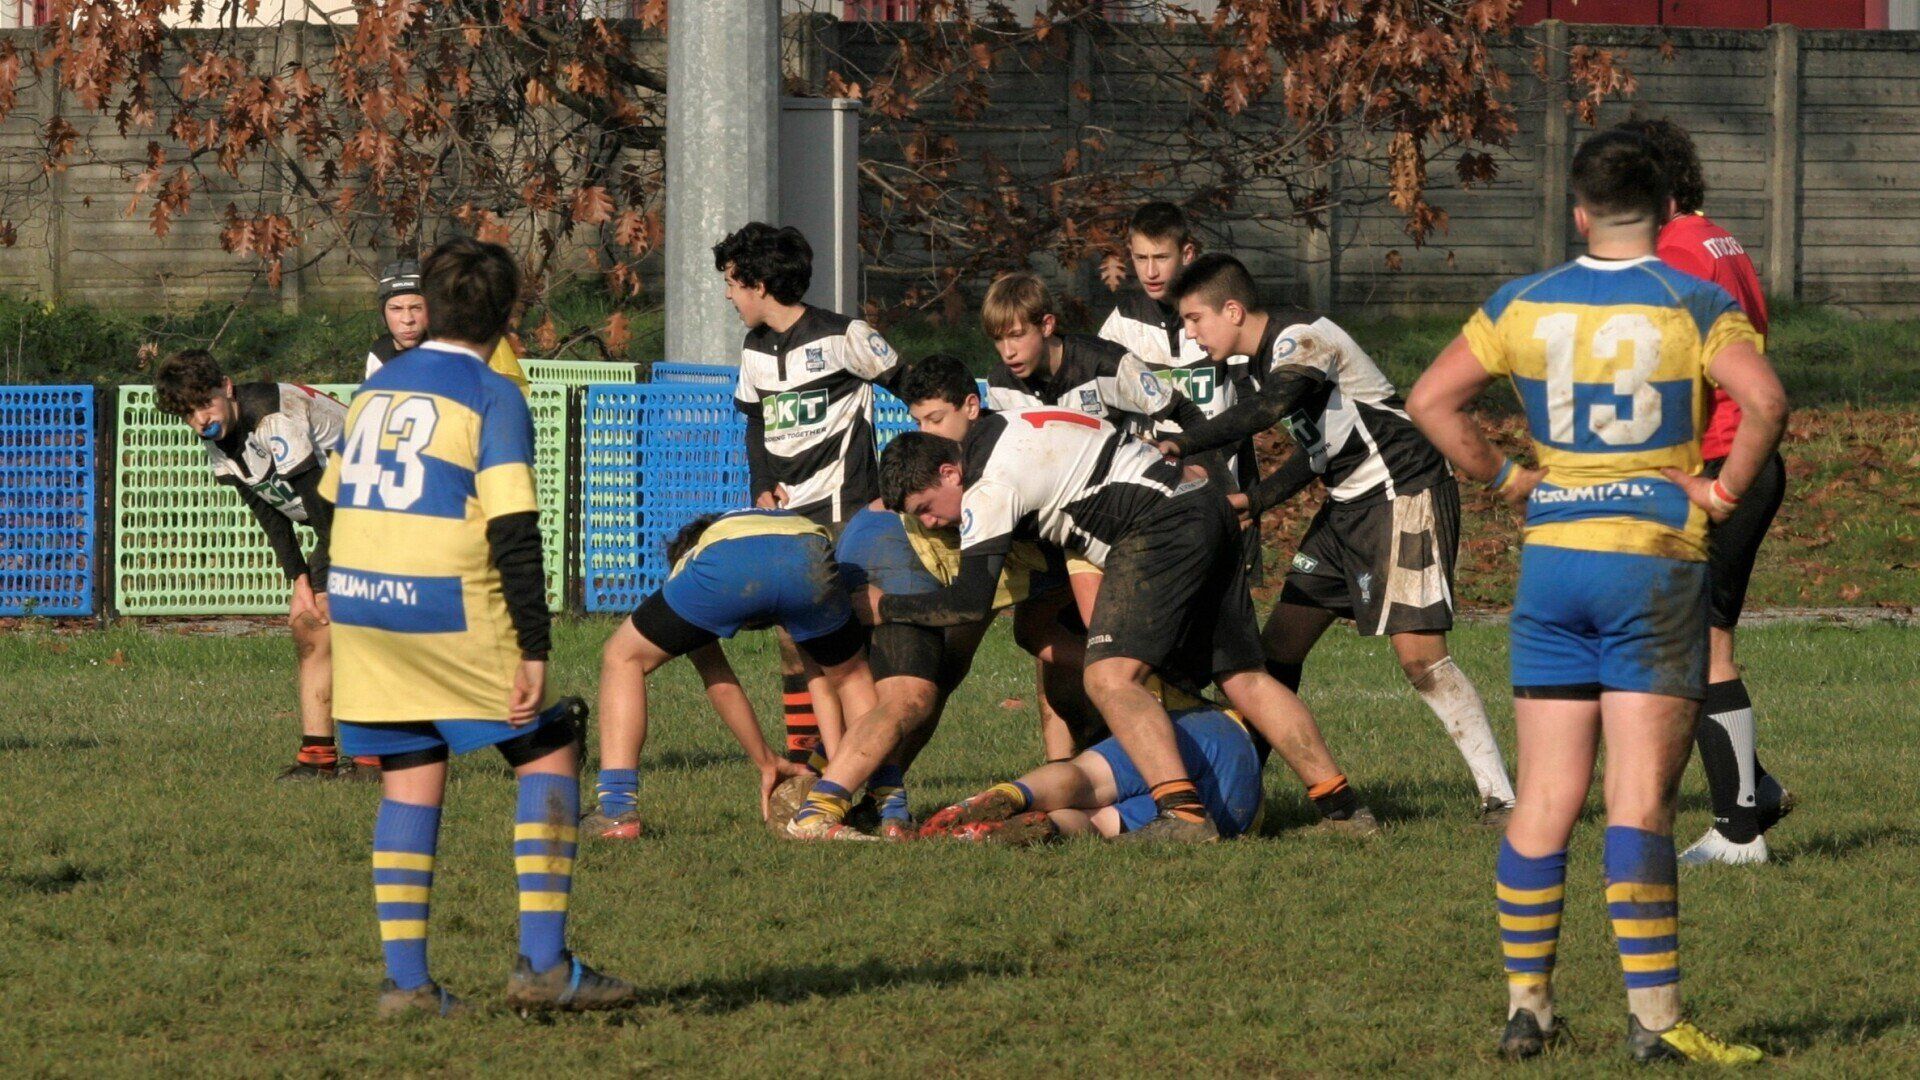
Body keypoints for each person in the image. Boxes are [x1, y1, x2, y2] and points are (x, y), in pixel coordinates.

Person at [1406, 129, 1786, 1065]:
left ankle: (1527, 1008)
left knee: (1543, 798)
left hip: (1556, 564)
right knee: (1638, 806)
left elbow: (1429, 400)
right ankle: (1656, 1023)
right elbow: (1768, 403)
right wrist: (1723, 492)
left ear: (1576, 212)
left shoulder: (1523, 302)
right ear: (1664, 212)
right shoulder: (1692, 300)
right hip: (1651, 564)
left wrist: (1502, 478)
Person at [320, 237, 633, 1015]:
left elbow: (330, 498)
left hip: (360, 599)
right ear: (505, 314)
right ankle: (544, 966)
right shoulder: (493, 393)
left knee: (412, 767)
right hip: (447, 602)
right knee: (548, 744)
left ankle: (407, 984)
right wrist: (534, 646)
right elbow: (515, 529)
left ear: (426, 306)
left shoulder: (376, 388)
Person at [832, 413, 1375, 845]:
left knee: (1110, 678)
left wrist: (885, 607)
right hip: (1203, 507)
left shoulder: (986, 487)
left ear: (950, 472)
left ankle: (1182, 815)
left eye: (927, 508)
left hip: (1157, 525)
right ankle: (1342, 807)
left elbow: (971, 603)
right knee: (1244, 677)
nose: (932, 523)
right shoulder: (1007, 425)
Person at [1157, 253, 1517, 822]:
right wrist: (1257, 500)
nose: (1191, 332)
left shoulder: (1301, 338)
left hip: (1404, 493)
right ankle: (1240, 793)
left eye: (1196, 318)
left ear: (1232, 309)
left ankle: (1501, 798)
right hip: (1349, 505)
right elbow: (1319, 452)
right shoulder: (1257, 363)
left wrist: (1185, 441)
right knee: (1277, 651)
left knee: (1420, 658)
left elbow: (1270, 408)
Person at [1619, 117, 1795, 866]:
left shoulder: (1680, 251)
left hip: (1719, 463)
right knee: (1679, 642)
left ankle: (1738, 830)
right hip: (1738, 459)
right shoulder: (1720, 238)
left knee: (1699, 647)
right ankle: (1753, 791)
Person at [716, 222, 904, 771]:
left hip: (848, 514)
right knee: (790, 633)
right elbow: (756, 425)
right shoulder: (753, 348)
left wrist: (897, 486)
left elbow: (912, 387)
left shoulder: (845, 336)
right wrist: (760, 483)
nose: (728, 294)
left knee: (848, 641)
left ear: (758, 283)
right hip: (790, 517)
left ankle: (869, 759)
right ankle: (810, 753)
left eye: (732, 281)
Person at [152, 350, 376, 782]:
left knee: (356, 628)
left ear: (228, 387)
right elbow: (266, 506)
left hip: (384, 510)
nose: (199, 419)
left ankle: (377, 758)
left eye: (205, 403)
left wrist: (328, 574)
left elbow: (317, 497)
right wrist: (299, 579)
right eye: (187, 413)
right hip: (346, 519)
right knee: (309, 622)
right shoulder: (219, 441)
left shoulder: (274, 418)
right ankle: (319, 757)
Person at [582, 509, 874, 840]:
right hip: (810, 552)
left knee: (623, 656)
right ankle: (881, 803)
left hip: (731, 563)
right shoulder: (762, 522)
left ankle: (617, 810)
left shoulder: (692, 562)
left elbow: (719, 681)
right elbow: (819, 680)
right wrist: (833, 776)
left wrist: (765, 760)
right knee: (851, 679)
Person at [982, 270, 1207, 439]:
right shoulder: (1000, 383)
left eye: (1017, 335)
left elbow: (1185, 412)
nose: (1007, 352)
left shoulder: (1107, 364)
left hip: (1122, 491)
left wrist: (1193, 462)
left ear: (1047, 325)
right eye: (998, 340)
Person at [363, 258, 529, 392]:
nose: (407, 319)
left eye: (416, 308)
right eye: (396, 309)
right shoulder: (381, 353)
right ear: (383, 313)